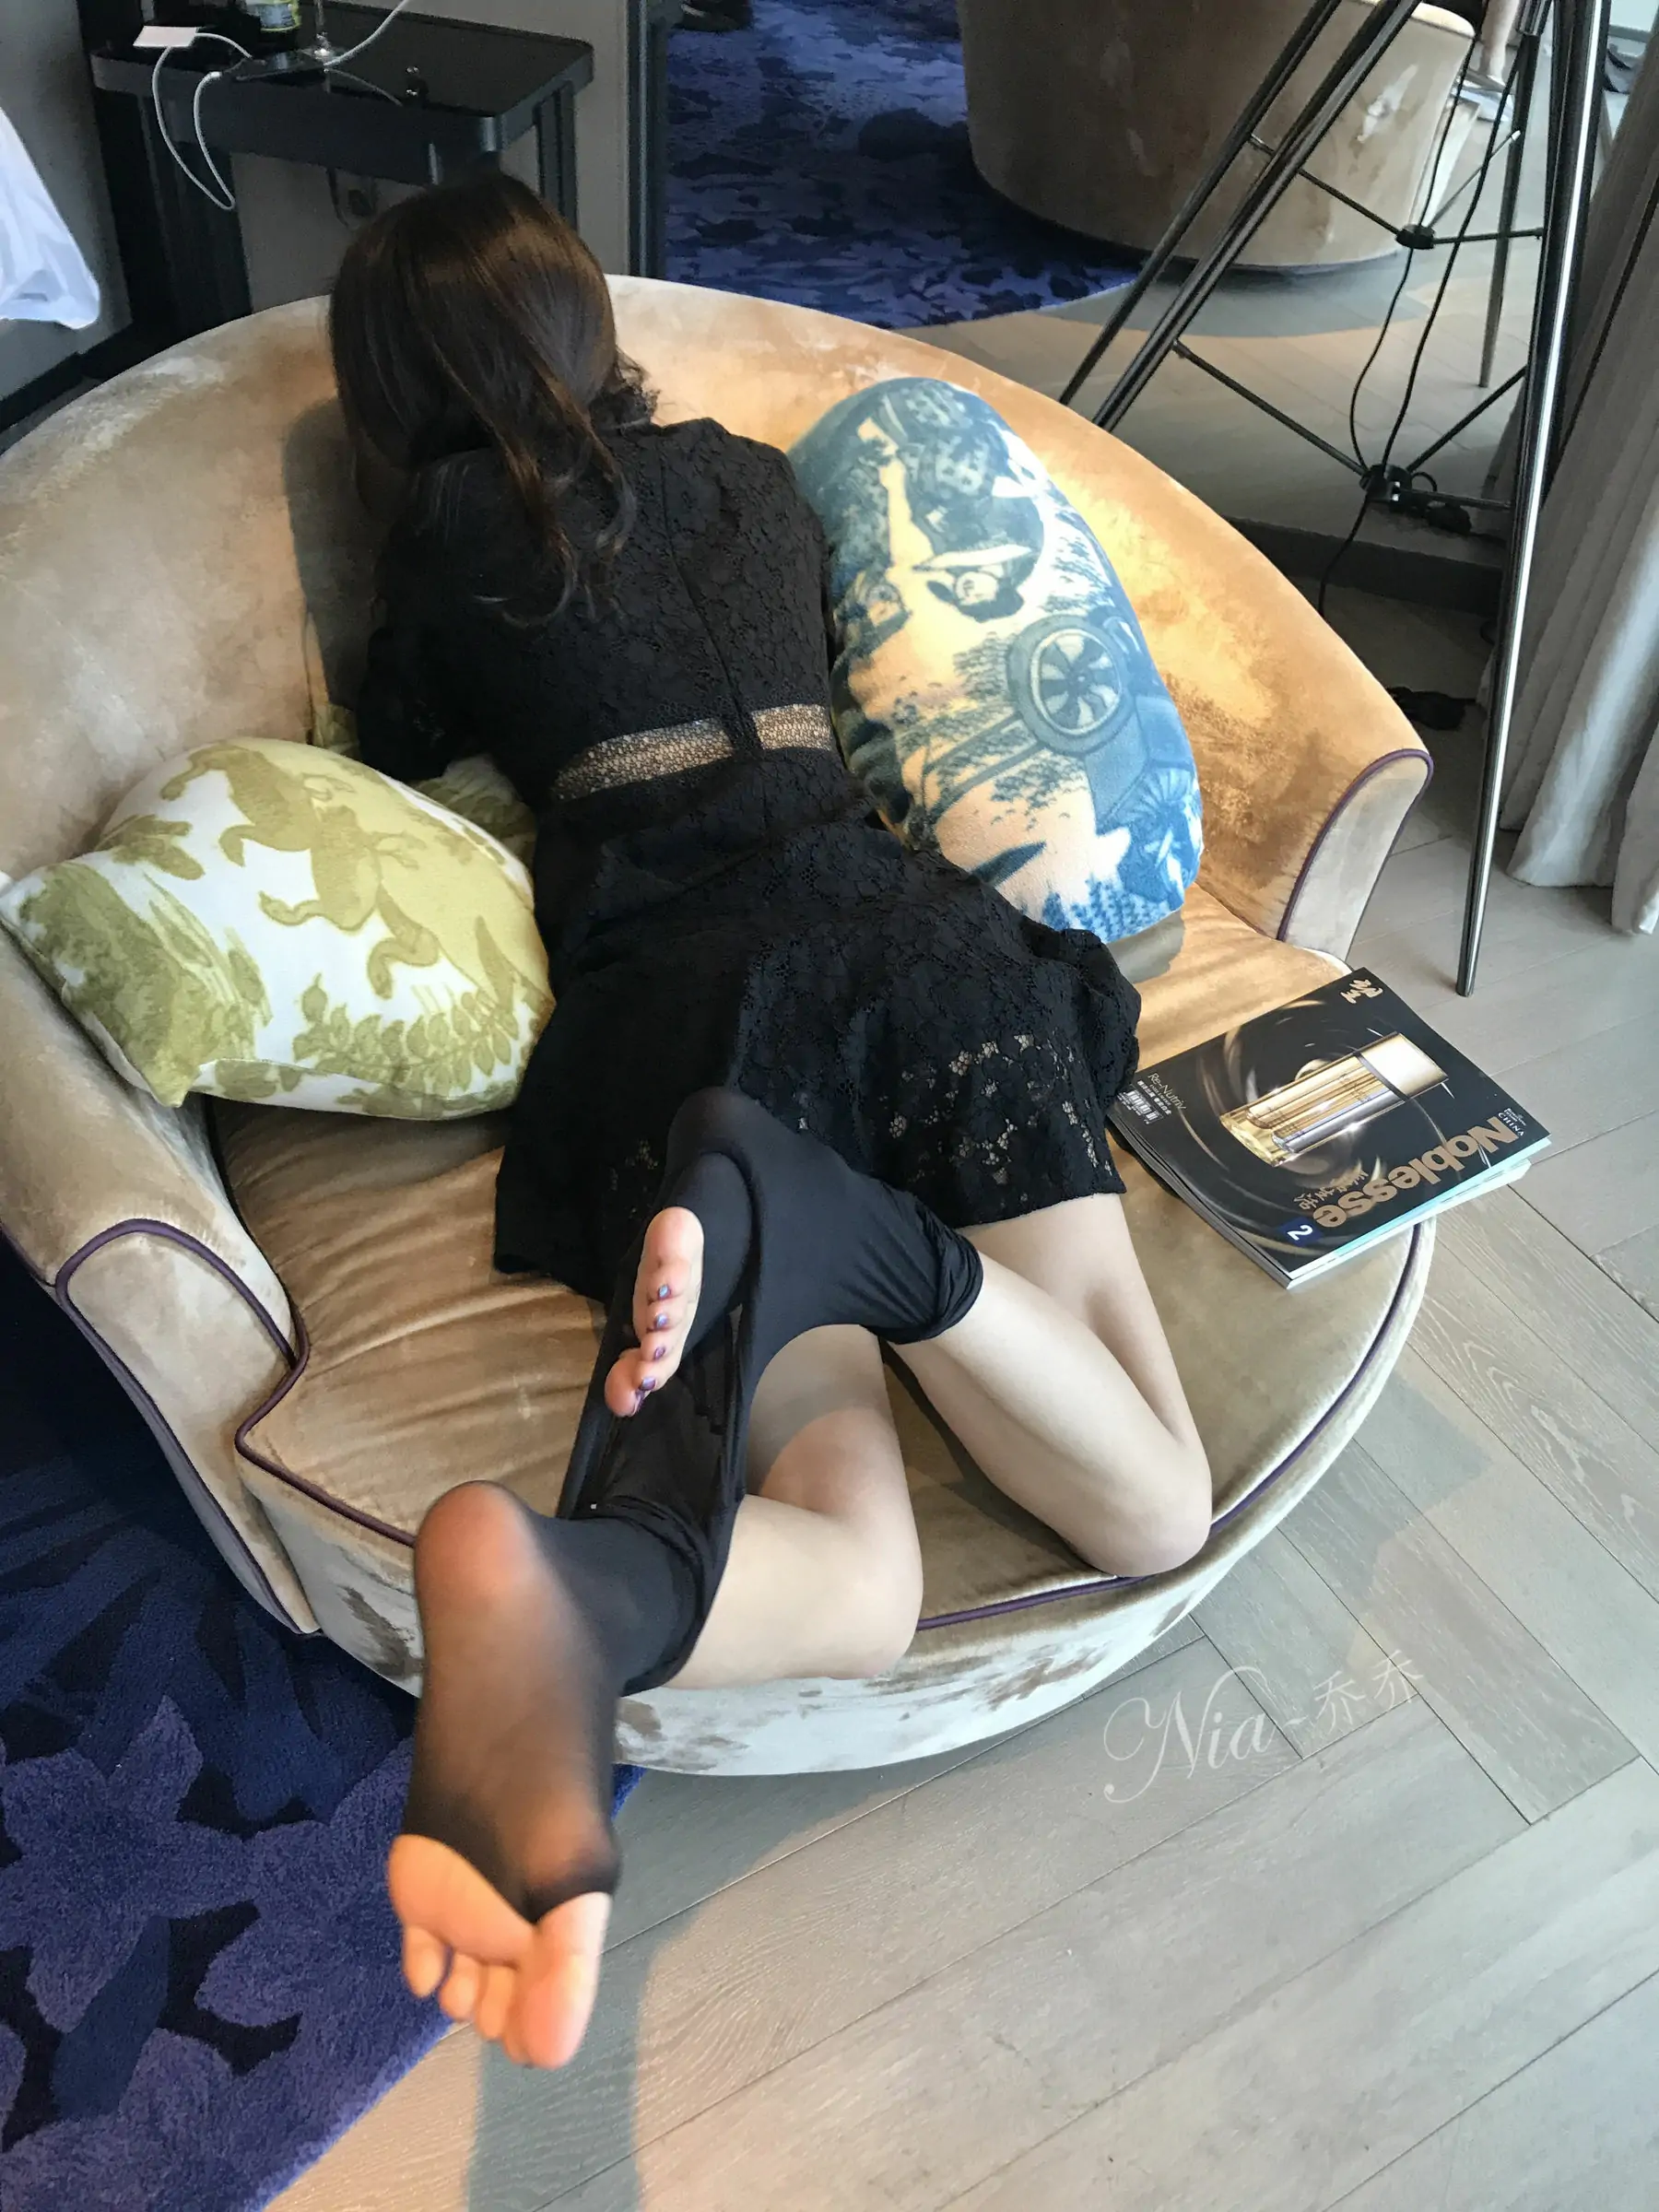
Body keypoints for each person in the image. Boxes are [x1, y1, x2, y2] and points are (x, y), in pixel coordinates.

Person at [330, 171, 1210, 2073]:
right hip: (921, 958)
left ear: (391, 390)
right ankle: (848, 1253)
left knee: (857, 1571)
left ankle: (597, 1591)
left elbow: (389, 758)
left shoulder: (445, 535)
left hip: (695, 1019)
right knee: (1160, 1506)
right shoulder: (746, 475)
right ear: (585, 321)